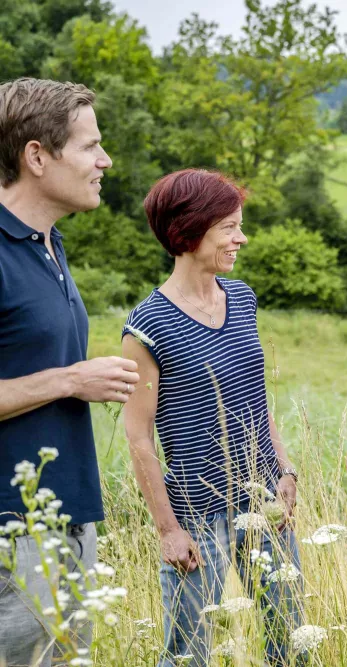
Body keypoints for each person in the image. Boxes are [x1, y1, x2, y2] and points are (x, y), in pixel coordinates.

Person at [122, 169, 303, 667]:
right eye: (228, 227)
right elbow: (138, 437)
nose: (241, 237)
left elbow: (255, 398)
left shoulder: (242, 298)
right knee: (189, 655)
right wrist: (167, 530)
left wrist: (284, 470)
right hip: (195, 516)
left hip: (264, 503)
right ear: (189, 230)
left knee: (291, 643)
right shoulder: (146, 325)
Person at [0, 78, 139, 666]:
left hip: (68, 515)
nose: (104, 160)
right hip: (14, 526)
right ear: (37, 156)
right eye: (89, 146)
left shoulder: (47, 245)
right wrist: (69, 380)